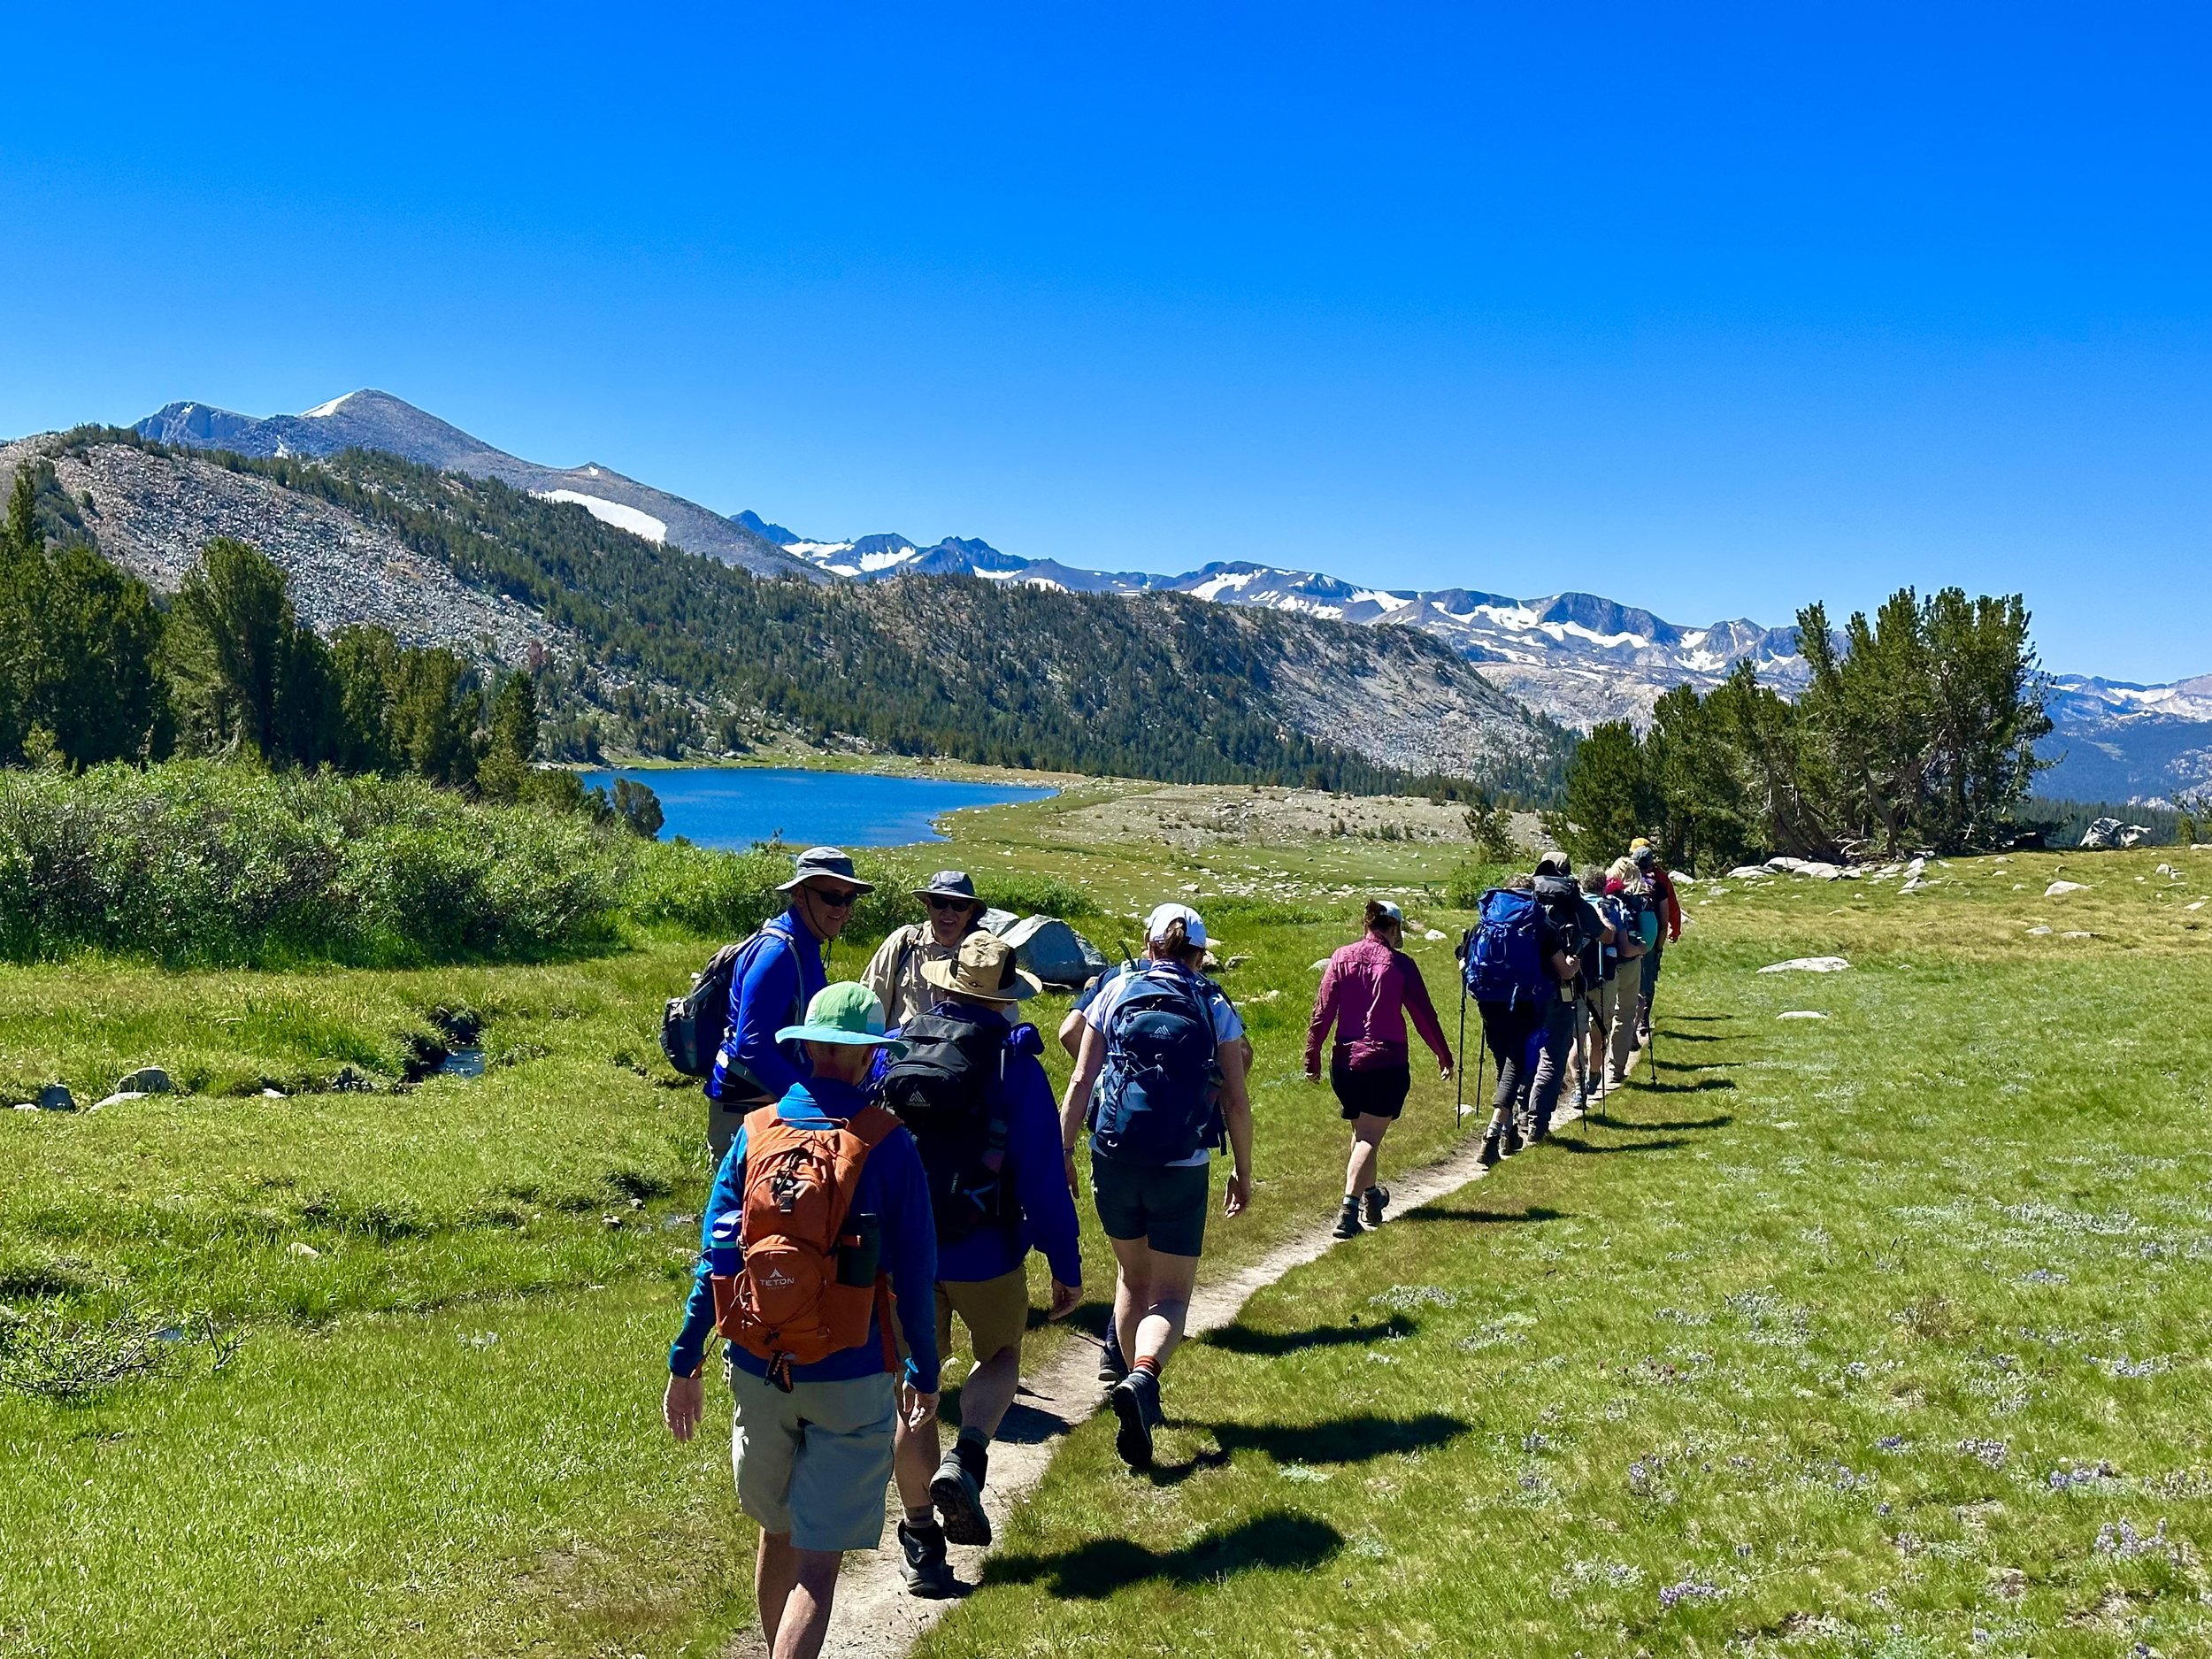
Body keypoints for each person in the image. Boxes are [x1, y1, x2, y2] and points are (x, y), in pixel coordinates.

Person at [663, 983, 939, 1659]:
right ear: (871, 1055)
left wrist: (685, 1358)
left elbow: (717, 1259)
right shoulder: (887, 1142)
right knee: (818, 1569)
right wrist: (922, 1367)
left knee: (775, 1534)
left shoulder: (755, 1133)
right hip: (848, 1371)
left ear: (809, 1047)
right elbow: (914, 1268)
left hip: (759, 1366)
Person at [878, 934, 1084, 1596]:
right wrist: (1064, 1260)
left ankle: (919, 1542)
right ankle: (966, 1457)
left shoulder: (903, 1043)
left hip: (906, 1249)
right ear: (1005, 996)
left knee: (914, 1388)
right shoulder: (1014, 1064)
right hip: (986, 1247)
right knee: (998, 1355)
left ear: (946, 985)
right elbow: (1043, 1174)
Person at [1059, 903, 1253, 1470]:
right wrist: (1242, 1169)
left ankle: (1126, 1381)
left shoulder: (1115, 989)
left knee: (1130, 1275)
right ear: (1198, 952)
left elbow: (1080, 1077)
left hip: (1113, 1156)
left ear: (1148, 943)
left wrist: (1062, 1152)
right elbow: (1236, 1101)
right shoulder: (1213, 1003)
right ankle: (1143, 1381)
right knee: (1170, 1294)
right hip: (1182, 1164)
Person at [704, 847, 872, 1162]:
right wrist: (810, 1102)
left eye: (850, 899)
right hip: (749, 1106)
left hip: (770, 1101)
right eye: (832, 897)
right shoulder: (778, 953)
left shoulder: (805, 945)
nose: (843, 908)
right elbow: (751, 1045)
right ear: (799, 894)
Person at [1304, 898, 1454, 1239]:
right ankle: (1348, 1210)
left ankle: (1372, 1196)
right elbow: (1423, 1015)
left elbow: (1322, 1012)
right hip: (1386, 1062)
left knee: (1361, 1134)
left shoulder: (1340, 958)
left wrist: (1312, 1057)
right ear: (1393, 928)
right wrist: (1442, 1054)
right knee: (1370, 1138)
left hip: (1345, 1064)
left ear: (1366, 924)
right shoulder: (1400, 965)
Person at [1464, 873, 1578, 1167]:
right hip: (1526, 1000)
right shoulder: (1539, 921)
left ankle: (1510, 1132)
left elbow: (1464, 958)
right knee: (1518, 1063)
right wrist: (1573, 964)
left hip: (1489, 1001)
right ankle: (1492, 1134)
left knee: (1504, 1062)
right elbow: (1563, 971)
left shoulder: (1488, 919)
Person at [1522, 854, 1610, 1143]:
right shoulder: (1571, 897)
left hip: (1520, 990)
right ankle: (1538, 1123)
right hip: (1560, 984)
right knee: (1553, 1055)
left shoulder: (1526, 891)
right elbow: (1602, 934)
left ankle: (1520, 1113)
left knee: (1525, 1051)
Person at [863, 870, 988, 1029]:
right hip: (902, 1050)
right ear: (928, 906)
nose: (948, 912)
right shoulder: (904, 942)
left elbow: (1003, 1014)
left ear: (970, 912)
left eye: (959, 906)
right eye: (940, 903)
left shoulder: (982, 953)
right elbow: (873, 998)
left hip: (958, 1051)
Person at [1602, 857, 1655, 1087]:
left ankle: (1592, 1066)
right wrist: (1643, 948)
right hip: (1631, 959)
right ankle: (1615, 1068)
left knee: (1600, 1013)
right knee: (1625, 1013)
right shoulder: (1641, 899)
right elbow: (1651, 932)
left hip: (1603, 962)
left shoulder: (1604, 896)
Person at [1628, 839, 1683, 1039]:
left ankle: (1628, 1025)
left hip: (1628, 940)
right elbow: (1671, 910)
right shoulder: (1659, 882)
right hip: (1650, 941)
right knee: (1647, 979)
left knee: (1628, 981)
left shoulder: (1626, 881)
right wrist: (1672, 932)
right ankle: (1643, 1020)